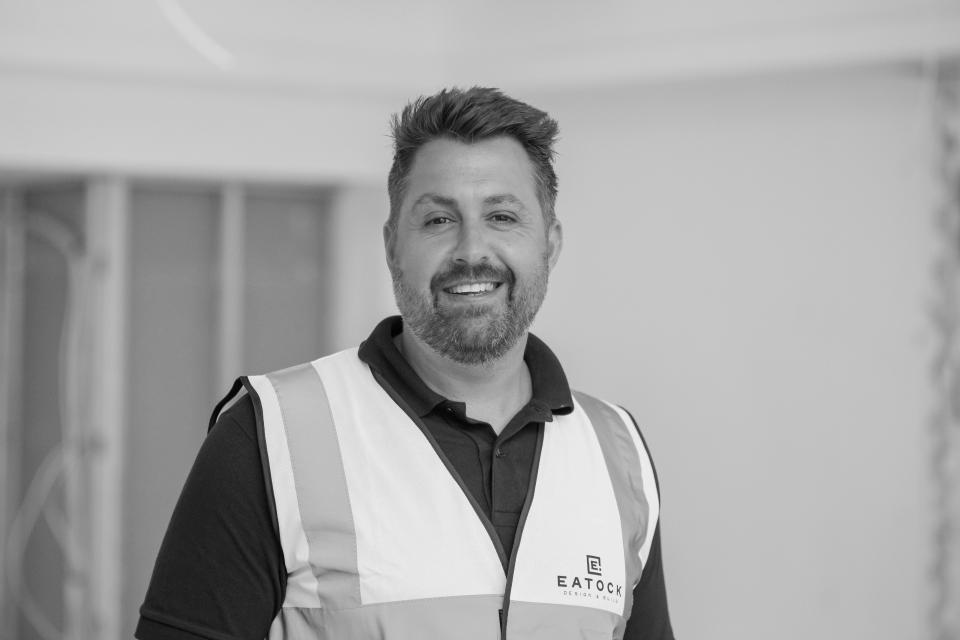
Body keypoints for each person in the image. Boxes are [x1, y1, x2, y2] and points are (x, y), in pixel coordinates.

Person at [137, 87, 675, 640]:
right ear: (393, 244)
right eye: (439, 220)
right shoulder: (269, 435)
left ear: (551, 244)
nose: (472, 250)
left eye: (503, 216)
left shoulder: (617, 453)